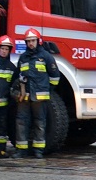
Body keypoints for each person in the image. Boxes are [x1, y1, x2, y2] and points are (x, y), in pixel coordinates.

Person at [14, 29, 61, 157]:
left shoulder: (46, 56)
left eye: (33, 41)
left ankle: (38, 150)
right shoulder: (23, 57)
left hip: (39, 98)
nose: (30, 44)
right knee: (21, 123)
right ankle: (21, 150)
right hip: (24, 97)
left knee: (40, 123)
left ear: (38, 41)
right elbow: (18, 75)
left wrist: (47, 90)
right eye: (28, 41)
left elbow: (55, 76)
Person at [0, 35, 17, 157]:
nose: (4, 51)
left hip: (4, 104)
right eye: (3, 49)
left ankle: (0, 150)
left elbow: (13, 85)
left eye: (7, 49)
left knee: (1, 128)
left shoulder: (12, 67)